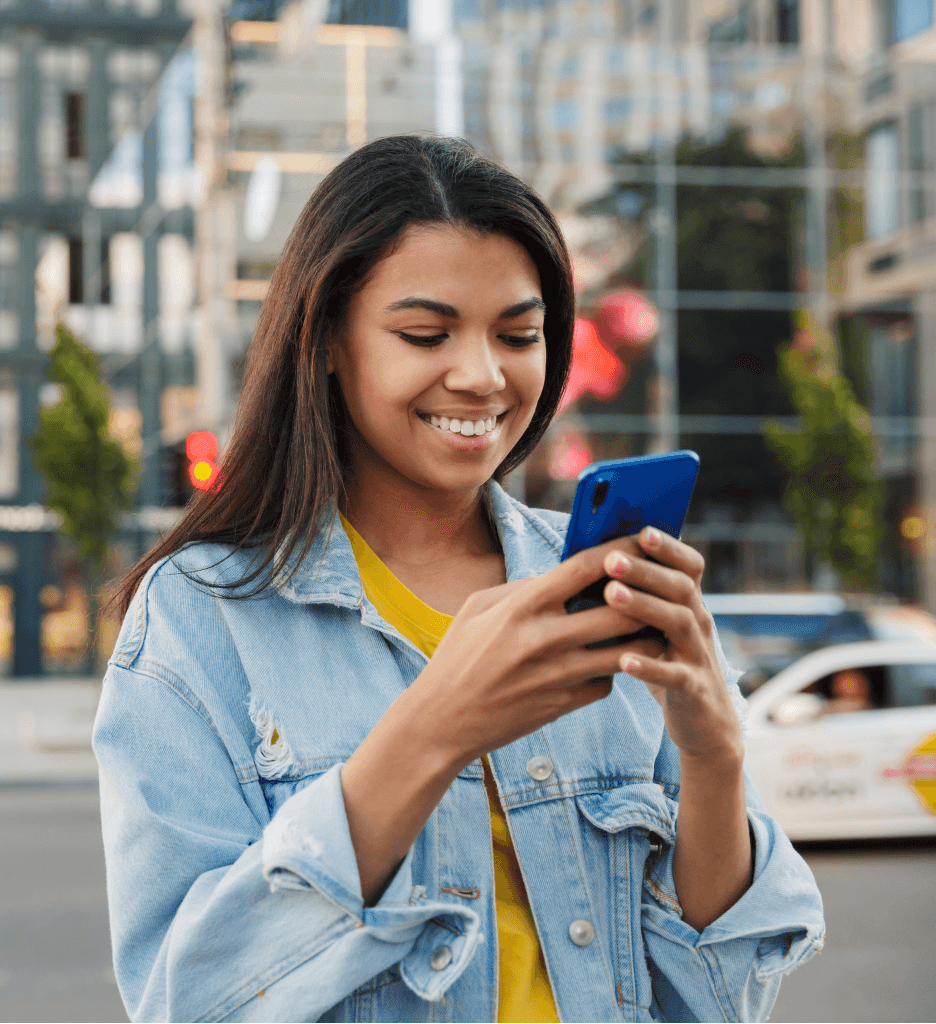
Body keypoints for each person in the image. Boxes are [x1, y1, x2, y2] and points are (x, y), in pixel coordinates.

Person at [93, 135, 824, 1023]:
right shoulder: (201, 615)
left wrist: (715, 757)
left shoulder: (596, 577)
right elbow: (182, 998)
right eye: (425, 334)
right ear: (327, 341)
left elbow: (717, 999)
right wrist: (432, 733)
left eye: (519, 334)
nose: (482, 376)